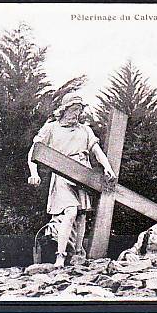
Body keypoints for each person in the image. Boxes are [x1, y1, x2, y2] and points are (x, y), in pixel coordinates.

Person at [27, 92, 116, 268]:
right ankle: (60, 256)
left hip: (83, 175)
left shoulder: (85, 130)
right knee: (71, 211)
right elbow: (33, 151)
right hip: (62, 174)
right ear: (64, 110)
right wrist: (34, 172)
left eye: (79, 110)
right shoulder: (51, 128)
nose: (77, 114)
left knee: (81, 215)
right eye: (73, 109)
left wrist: (108, 167)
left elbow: (97, 152)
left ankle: (77, 254)